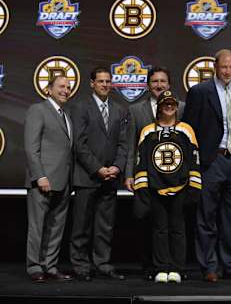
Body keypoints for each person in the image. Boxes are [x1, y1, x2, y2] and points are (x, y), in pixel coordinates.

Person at [183, 49, 231, 282]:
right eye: (224, 67)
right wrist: (194, 164)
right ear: (215, 66)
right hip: (211, 161)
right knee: (207, 217)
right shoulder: (200, 91)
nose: (227, 71)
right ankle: (209, 267)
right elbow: (188, 131)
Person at [133, 90, 201, 283]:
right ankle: (161, 267)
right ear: (159, 107)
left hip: (181, 187)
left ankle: (177, 269)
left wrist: (194, 187)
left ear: (176, 107)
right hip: (156, 188)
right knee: (159, 229)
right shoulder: (147, 131)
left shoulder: (187, 130)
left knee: (178, 229)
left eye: (172, 104)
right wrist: (143, 188)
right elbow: (141, 161)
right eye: (165, 104)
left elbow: (194, 159)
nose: (169, 107)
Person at [69, 67, 127, 281]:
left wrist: (117, 167)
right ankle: (81, 266)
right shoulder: (81, 108)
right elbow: (79, 144)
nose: (105, 85)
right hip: (87, 177)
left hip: (110, 179)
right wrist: (98, 168)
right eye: (100, 81)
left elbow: (123, 144)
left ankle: (103, 264)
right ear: (92, 83)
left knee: (105, 226)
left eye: (108, 81)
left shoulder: (119, 109)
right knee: (81, 226)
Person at [124, 67, 182, 281]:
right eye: (155, 81)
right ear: (148, 85)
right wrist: (129, 174)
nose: (159, 85)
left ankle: (173, 267)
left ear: (169, 85)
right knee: (148, 221)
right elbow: (131, 145)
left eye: (163, 81)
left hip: (173, 179)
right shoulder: (135, 110)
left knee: (173, 224)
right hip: (146, 176)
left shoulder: (180, 108)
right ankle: (151, 267)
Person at [24, 75, 74, 282]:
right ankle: (34, 266)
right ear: (48, 89)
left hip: (63, 181)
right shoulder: (38, 110)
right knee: (38, 226)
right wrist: (40, 176)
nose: (65, 90)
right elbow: (31, 147)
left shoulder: (66, 115)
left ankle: (50, 266)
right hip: (43, 181)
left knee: (56, 227)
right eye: (61, 86)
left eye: (68, 87)